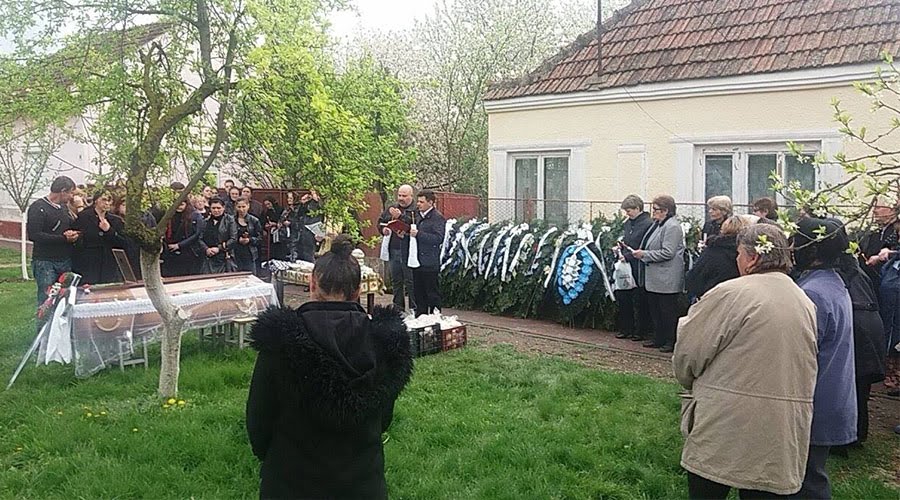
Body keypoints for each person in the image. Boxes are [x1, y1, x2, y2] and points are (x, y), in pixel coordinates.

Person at [246, 235, 414, 499]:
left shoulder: (281, 340)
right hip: (362, 483)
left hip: (291, 480)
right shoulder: (384, 342)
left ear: (312, 283)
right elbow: (383, 418)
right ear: (358, 291)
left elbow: (259, 419)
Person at [674, 224, 817, 498]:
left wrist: (687, 380)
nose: (737, 260)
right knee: (762, 488)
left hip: (726, 421)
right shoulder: (803, 300)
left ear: (753, 258)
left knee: (709, 487)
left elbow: (689, 352)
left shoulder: (730, 293)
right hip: (780, 425)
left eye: (739, 253)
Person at [792, 217, 858, 499]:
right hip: (831, 396)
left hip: (817, 401)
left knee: (806, 480)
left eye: (797, 242)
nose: (791, 248)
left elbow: (800, 354)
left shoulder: (812, 293)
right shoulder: (831, 282)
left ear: (812, 250)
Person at [833, 251, 886, 449]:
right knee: (860, 385)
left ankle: (848, 436)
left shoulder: (838, 273)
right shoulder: (857, 271)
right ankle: (858, 433)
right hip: (871, 321)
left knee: (851, 382)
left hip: (858, 323)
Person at [632, 195, 684, 353]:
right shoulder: (658, 224)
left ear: (666, 210)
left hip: (666, 277)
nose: (653, 212)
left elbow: (668, 252)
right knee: (656, 310)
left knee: (667, 311)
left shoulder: (672, 227)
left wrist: (644, 254)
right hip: (655, 276)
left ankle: (670, 340)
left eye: (656, 209)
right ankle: (658, 337)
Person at [28, 176, 80, 305]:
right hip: (45, 262)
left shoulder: (64, 208)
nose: (72, 197)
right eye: (71, 193)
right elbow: (34, 235)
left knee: (65, 298)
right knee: (47, 299)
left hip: (65, 260)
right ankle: (44, 318)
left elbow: (71, 226)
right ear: (63, 191)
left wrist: (73, 234)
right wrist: (63, 239)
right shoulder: (38, 207)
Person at [614, 194, 653, 341]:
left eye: (629, 210)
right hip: (626, 263)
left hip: (639, 265)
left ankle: (640, 330)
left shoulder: (647, 224)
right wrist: (620, 248)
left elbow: (644, 245)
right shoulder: (628, 223)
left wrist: (629, 256)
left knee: (639, 298)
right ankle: (626, 328)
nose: (627, 214)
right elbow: (627, 240)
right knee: (624, 296)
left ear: (637, 208)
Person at [685, 215, 750, 299]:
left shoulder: (713, 250)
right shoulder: (748, 252)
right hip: (741, 296)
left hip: (713, 296)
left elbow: (694, 278)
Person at [72, 189, 126, 285]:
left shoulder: (116, 220)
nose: (107, 203)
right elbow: (76, 235)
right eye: (104, 199)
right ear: (96, 200)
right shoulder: (84, 216)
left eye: (109, 200)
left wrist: (109, 230)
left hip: (108, 263)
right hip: (88, 262)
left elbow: (122, 242)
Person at [377, 184, 417, 312]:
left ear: (411, 196)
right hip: (394, 249)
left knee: (411, 281)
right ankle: (398, 309)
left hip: (409, 251)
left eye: (404, 196)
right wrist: (383, 229)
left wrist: (401, 217)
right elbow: (380, 222)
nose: (401, 198)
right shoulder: (392, 208)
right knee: (396, 281)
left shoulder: (415, 210)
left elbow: (415, 225)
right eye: (399, 195)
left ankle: (414, 309)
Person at [409, 189, 446, 316]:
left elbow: (438, 238)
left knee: (432, 293)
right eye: (418, 201)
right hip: (417, 260)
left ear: (430, 203)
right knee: (419, 293)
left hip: (430, 262)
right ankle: (421, 317)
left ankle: (435, 317)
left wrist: (419, 234)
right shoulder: (417, 216)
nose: (418, 204)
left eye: (421, 202)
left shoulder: (437, 218)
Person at [112, 195, 157, 279]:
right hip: (121, 256)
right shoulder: (114, 220)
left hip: (139, 254)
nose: (127, 208)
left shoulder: (146, 217)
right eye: (124, 205)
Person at [162, 199, 204, 277]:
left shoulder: (195, 215)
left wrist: (179, 245)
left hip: (189, 251)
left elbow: (196, 234)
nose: (179, 207)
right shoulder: (169, 216)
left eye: (181, 204)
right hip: (171, 251)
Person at [199, 197, 237, 274]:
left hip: (224, 258)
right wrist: (206, 249)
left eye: (218, 208)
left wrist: (219, 248)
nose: (216, 210)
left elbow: (233, 238)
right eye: (213, 208)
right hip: (208, 258)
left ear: (223, 208)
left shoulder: (230, 220)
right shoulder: (205, 221)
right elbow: (200, 238)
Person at [233, 199, 262, 275]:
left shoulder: (254, 220)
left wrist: (250, 240)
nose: (241, 209)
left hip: (250, 254)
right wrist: (237, 240)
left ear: (248, 206)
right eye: (239, 207)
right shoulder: (231, 220)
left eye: (243, 206)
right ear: (235, 207)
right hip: (235, 253)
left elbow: (260, 238)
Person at [292, 190, 322, 263]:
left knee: (311, 252)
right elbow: (299, 214)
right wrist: (303, 203)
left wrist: (315, 200)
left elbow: (317, 213)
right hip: (305, 230)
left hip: (314, 230)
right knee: (303, 251)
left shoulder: (319, 204)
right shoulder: (307, 204)